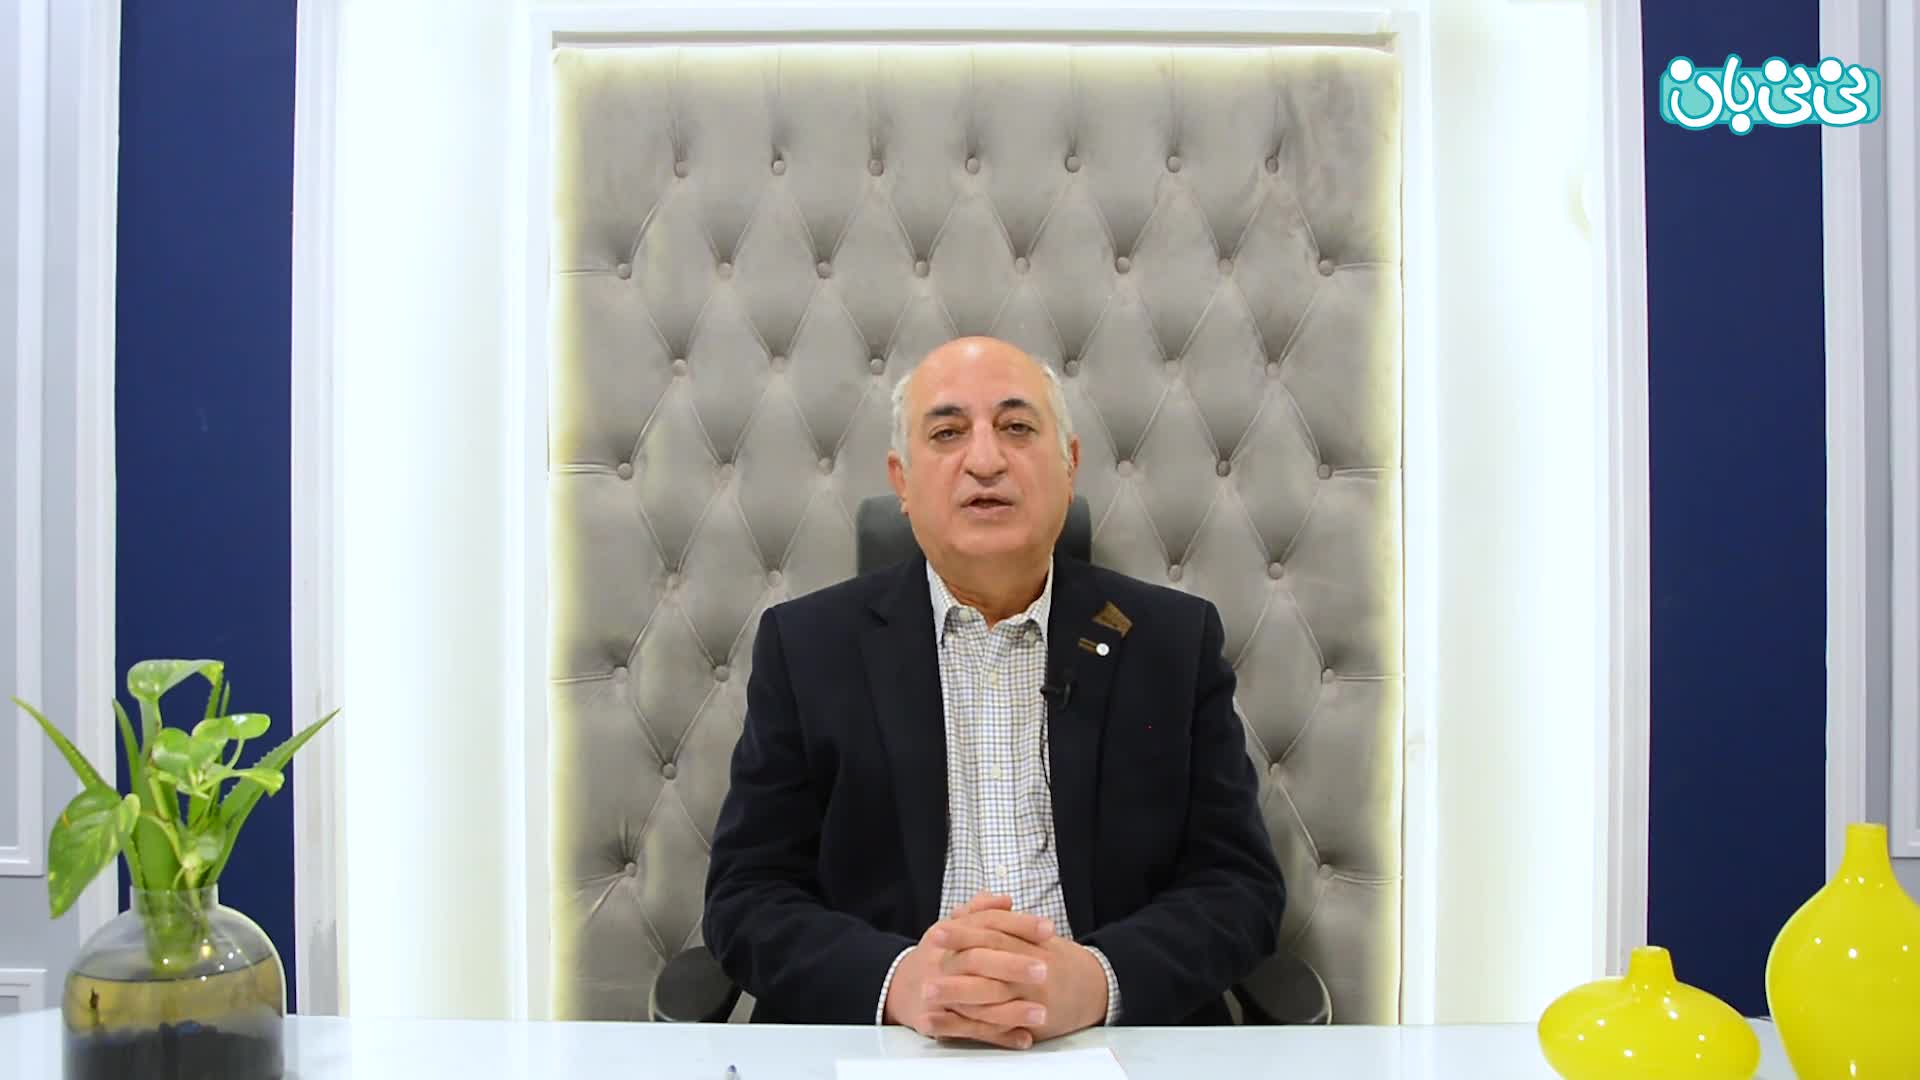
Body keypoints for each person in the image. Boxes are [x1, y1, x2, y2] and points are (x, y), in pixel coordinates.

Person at [702, 336, 1285, 1047]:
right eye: (948, 433)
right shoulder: (807, 648)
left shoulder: (1170, 643)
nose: (985, 460)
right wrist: (901, 981)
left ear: (1068, 466)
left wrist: (1098, 979)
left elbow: (1239, 887)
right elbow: (747, 896)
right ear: (902, 481)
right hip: (889, 1042)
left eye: (1016, 427)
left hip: (1108, 1041)